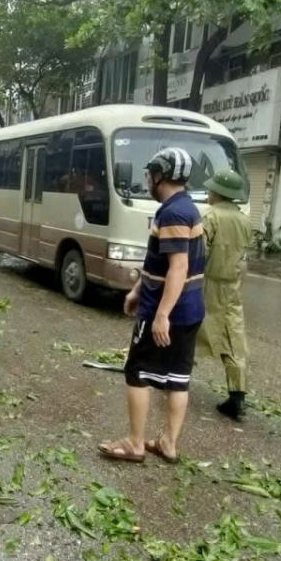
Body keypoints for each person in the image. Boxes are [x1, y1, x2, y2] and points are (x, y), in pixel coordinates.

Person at [99, 147, 206, 464]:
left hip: (166, 312)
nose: (147, 179)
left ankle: (135, 444)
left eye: (149, 174)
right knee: (177, 378)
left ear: (160, 175)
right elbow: (158, 265)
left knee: (138, 373)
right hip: (190, 311)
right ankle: (168, 444)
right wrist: (135, 289)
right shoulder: (187, 208)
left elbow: (178, 268)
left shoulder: (172, 213)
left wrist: (161, 315)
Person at [197, 169, 253, 421]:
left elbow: (199, 253)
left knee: (188, 329)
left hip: (208, 283)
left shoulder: (209, 217)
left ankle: (173, 380)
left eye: (210, 189)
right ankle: (237, 395)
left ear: (217, 193)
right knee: (234, 336)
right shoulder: (244, 220)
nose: (208, 193)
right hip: (233, 285)